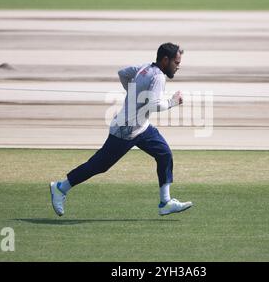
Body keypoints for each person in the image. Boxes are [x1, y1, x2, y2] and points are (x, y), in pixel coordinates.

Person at [50, 42, 193, 216]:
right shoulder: (158, 77)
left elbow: (122, 73)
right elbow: (154, 104)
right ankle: (60, 188)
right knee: (99, 165)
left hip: (141, 127)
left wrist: (133, 94)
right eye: (176, 63)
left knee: (164, 153)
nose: (178, 67)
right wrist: (173, 102)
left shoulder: (144, 68)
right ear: (165, 60)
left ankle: (165, 202)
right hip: (126, 130)